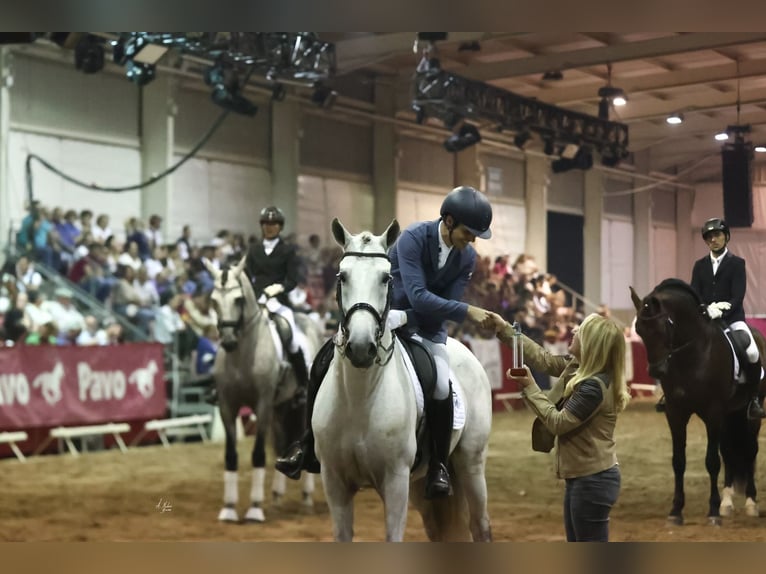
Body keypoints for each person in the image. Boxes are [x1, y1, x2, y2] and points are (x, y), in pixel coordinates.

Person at [275, 185, 496, 500]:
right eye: (468, 231)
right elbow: (419, 295)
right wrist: (467, 311)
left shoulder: (467, 258)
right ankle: (307, 445)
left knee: (440, 387)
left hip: (427, 329)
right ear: (448, 220)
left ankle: (438, 464)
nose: (472, 239)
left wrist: (438, 314)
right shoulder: (413, 238)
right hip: (383, 320)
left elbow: (444, 303)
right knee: (321, 362)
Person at [493, 312, 631, 542]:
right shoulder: (582, 369)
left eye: (581, 330)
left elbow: (558, 423)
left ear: (592, 345)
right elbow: (543, 359)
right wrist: (505, 329)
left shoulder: (592, 387)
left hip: (592, 480)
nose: (574, 331)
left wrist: (530, 387)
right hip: (586, 478)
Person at [675, 218, 764, 419]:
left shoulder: (737, 264)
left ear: (726, 237)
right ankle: (674, 393)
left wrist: (722, 310)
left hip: (732, 318)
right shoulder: (699, 266)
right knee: (680, 345)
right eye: (709, 236)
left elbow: (738, 295)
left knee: (750, 350)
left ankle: (753, 399)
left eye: (717, 235)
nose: (713, 239)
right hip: (706, 319)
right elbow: (694, 294)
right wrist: (704, 309)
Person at [244, 206, 309, 400]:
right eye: (266, 224)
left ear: (280, 227)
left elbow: (293, 279)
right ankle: (221, 382)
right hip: (256, 301)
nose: (270, 227)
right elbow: (247, 275)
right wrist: (254, 293)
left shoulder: (288, 250)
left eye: (274, 224)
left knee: (292, 338)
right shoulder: (253, 250)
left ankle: (303, 384)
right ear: (261, 226)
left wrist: (279, 288)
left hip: (279, 301)